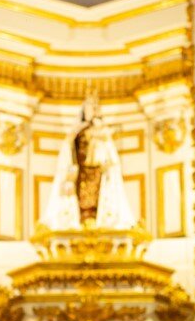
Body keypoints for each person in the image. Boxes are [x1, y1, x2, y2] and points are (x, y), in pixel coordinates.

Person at [41, 93, 136, 230]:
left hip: (97, 171)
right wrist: (70, 173)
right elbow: (70, 150)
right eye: (88, 108)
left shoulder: (101, 130)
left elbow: (110, 154)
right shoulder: (77, 132)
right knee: (80, 200)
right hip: (81, 172)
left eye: (93, 108)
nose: (91, 111)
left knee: (100, 199)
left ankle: (95, 219)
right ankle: (83, 219)